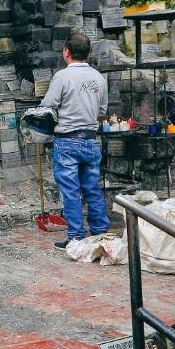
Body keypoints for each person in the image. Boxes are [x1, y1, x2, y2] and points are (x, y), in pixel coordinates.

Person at [40, 33, 110, 248]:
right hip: (90, 140)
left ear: (66, 52)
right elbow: (102, 111)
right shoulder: (99, 77)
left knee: (70, 192)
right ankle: (100, 232)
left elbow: (47, 105)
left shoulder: (62, 76)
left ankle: (76, 237)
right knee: (92, 188)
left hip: (67, 141)